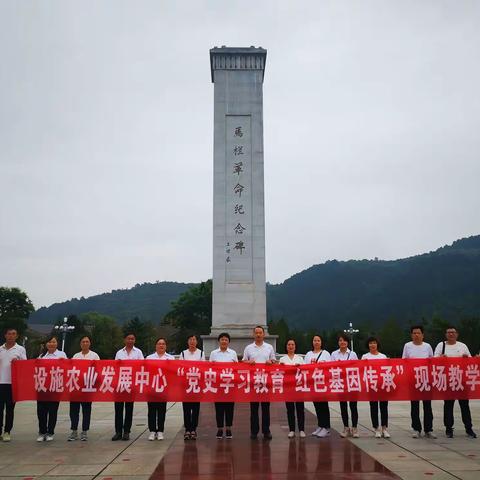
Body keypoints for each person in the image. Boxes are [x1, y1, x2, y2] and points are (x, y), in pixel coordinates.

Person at [434, 326, 477, 439]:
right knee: (448, 405)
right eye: (449, 332)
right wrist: (440, 358)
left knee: (464, 405)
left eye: (453, 332)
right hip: (448, 380)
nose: (451, 334)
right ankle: (449, 428)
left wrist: (466, 357)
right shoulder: (441, 345)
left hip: (461, 380)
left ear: (457, 334)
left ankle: (468, 428)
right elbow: (434, 359)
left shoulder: (462, 346)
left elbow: (471, 360)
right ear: (445, 334)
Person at [242, 325, 276, 440]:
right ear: (253, 334)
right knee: (254, 409)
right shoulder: (248, 348)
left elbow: (274, 360)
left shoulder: (269, 347)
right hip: (254, 381)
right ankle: (254, 431)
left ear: (263, 334)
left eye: (260, 332)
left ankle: (266, 431)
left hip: (266, 381)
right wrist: (248, 362)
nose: (258, 334)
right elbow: (243, 362)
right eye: (256, 333)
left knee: (266, 408)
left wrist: (271, 362)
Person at [402, 325, 436, 438]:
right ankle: (416, 428)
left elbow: (432, 361)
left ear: (423, 335)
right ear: (411, 335)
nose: (416, 335)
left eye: (418, 333)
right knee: (414, 405)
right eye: (414, 333)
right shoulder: (407, 346)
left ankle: (428, 429)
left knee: (427, 405)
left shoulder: (427, 346)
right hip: (413, 379)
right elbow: (404, 361)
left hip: (426, 379)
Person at [112, 333, 143, 441]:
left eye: (132, 339)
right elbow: (115, 367)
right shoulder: (119, 353)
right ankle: (118, 431)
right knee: (118, 409)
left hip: (131, 384)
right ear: (124, 340)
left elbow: (142, 366)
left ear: (135, 340)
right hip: (120, 384)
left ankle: (126, 431)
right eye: (128, 338)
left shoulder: (138, 352)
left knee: (129, 409)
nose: (130, 340)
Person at [68, 335, 100, 442]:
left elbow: (98, 370)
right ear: (80, 344)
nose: (85, 343)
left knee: (86, 410)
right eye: (83, 341)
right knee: (74, 410)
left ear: (90, 343)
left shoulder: (94, 356)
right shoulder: (76, 356)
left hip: (88, 387)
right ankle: (74, 430)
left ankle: (84, 431)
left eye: (87, 341)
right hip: (76, 387)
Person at [37, 335, 67, 442]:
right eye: (49, 342)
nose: (51, 344)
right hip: (42, 387)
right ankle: (42, 432)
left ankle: (50, 432)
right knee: (41, 411)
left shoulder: (61, 355)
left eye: (53, 342)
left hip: (55, 387)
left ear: (57, 343)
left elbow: (67, 369)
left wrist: (63, 362)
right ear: (46, 344)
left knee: (52, 411)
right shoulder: (41, 356)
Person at [0, 328, 27, 442]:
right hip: (0, 383)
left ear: (17, 336)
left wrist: (18, 361)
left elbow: (25, 365)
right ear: (5, 335)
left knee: (10, 409)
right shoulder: (0, 349)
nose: (11, 336)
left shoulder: (20, 349)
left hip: (12, 384)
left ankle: (7, 431)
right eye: (9, 334)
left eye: (13, 334)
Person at [209, 332, 238, 439]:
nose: (224, 341)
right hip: (218, 385)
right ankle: (220, 428)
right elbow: (209, 368)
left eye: (226, 340)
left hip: (230, 385)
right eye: (222, 339)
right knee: (219, 407)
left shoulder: (233, 353)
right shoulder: (213, 353)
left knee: (230, 407)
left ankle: (229, 428)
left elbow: (236, 368)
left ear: (228, 342)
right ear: (219, 341)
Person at [146, 337, 174, 441]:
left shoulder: (170, 358)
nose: (161, 345)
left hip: (164, 388)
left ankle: (160, 431)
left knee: (162, 410)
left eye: (163, 344)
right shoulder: (149, 358)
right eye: (159, 344)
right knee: (152, 410)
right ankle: (152, 431)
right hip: (152, 387)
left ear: (166, 346)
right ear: (156, 346)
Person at [361, 336, 390, 438]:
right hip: (371, 385)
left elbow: (387, 370)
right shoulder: (365, 357)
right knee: (373, 407)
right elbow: (362, 371)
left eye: (374, 343)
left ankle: (384, 428)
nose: (372, 345)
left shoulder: (383, 356)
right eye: (370, 343)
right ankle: (376, 428)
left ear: (377, 344)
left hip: (382, 385)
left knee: (384, 407)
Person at [331, 334, 359, 438]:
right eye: (340, 340)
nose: (342, 342)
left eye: (344, 341)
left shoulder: (353, 354)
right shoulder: (334, 354)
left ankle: (355, 428)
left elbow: (357, 367)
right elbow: (331, 368)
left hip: (351, 383)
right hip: (340, 383)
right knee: (343, 406)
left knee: (353, 406)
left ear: (347, 342)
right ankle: (346, 427)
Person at [304, 334, 331, 438]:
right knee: (317, 406)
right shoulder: (308, 354)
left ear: (321, 342)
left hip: (323, 384)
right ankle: (320, 425)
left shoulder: (326, 354)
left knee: (324, 406)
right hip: (313, 384)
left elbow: (329, 368)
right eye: (314, 340)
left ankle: (326, 427)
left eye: (318, 340)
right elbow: (305, 368)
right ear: (312, 342)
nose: (316, 342)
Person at [279, 339, 305, 438]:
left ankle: (302, 429)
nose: (290, 346)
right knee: (290, 409)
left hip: (298, 386)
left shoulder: (300, 359)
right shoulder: (282, 359)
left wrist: (300, 367)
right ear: (286, 347)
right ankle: (292, 430)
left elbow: (305, 371)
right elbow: (278, 373)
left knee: (300, 409)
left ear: (295, 346)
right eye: (289, 344)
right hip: (288, 387)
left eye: (292, 344)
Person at [181, 334, 205, 440]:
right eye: (190, 339)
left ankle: (193, 429)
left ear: (197, 342)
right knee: (186, 408)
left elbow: (203, 368)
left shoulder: (201, 353)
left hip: (196, 385)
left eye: (194, 339)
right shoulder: (183, 353)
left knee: (195, 408)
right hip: (186, 385)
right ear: (187, 342)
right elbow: (181, 368)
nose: (192, 341)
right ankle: (187, 429)